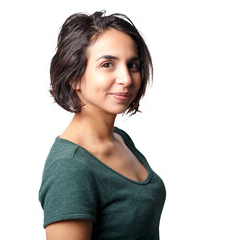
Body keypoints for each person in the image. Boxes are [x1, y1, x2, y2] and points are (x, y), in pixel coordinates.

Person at [38, 11, 166, 240]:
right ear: (74, 77)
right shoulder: (70, 168)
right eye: (107, 64)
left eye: (133, 65)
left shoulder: (120, 138)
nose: (126, 79)